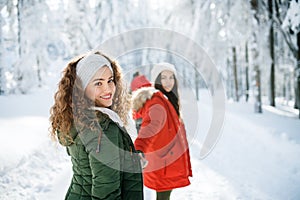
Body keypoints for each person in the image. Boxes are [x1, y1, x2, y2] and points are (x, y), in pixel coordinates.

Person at [49, 51, 144, 200]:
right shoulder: (102, 127)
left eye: (110, 80)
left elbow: (93, 167)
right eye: (98, 83)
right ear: (82, 87)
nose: (107, 89)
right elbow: (106, 191)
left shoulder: (81, 117)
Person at [131, 63, 192, 200]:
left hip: (165, 162)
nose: (168, 81)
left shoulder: (168, 99)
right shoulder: (157, 101)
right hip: (163, 163)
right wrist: (139, 148)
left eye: (171, 77)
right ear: (157, 80)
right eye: (163, 77)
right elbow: (150, 127)